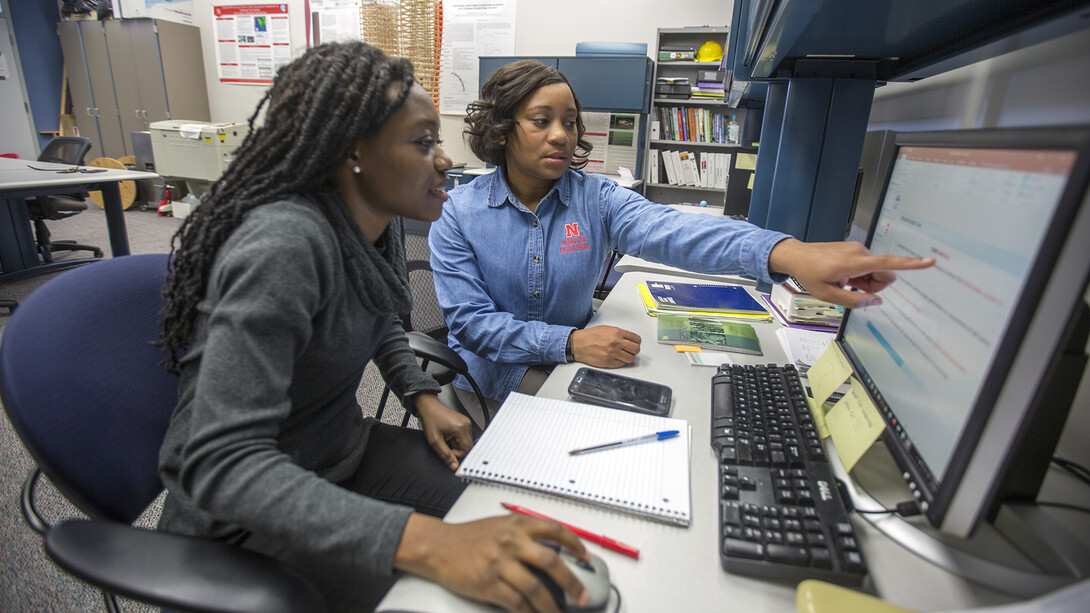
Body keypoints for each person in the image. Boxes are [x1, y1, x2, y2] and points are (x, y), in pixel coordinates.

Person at [156, 43, 592, 613]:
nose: (443, 161)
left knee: (499, 512)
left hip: (340, 455)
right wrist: (430, 545)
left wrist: (421, 395)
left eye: (439, 140)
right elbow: (219, 462)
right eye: (422, 142)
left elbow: (380, 316)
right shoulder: (284, 246)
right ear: (353, 152)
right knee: (452, 593)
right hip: (240, 518)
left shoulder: (372, 224)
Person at [429, 59, 934, 416]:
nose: (562, 135)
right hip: (495, 376)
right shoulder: (459, 213)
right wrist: (571, 341)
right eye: (542, 121)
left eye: (570, 122)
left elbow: (672, 229)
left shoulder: (596, 198)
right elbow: (472, 327)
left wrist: (789, 254)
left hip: (575, 359)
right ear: (502, 130)